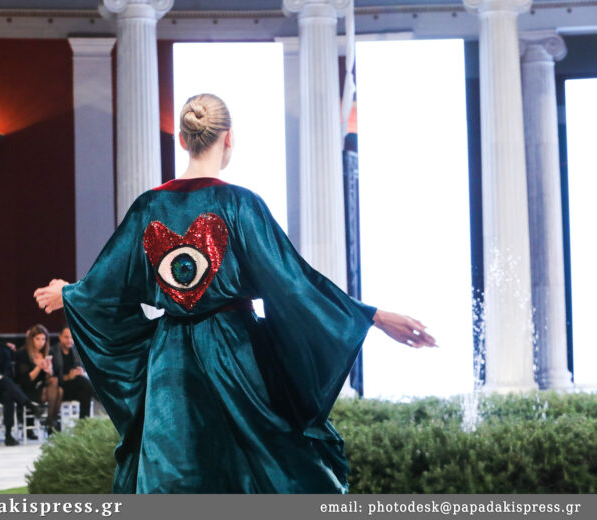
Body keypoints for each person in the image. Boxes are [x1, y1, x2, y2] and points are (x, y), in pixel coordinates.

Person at [34, 93, 437, 493]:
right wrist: (372, 316)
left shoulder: (147, 208)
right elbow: (294, 284)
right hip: (237, 356)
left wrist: (70, 293)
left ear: (182, 139)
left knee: (172, 471)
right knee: (268, 465)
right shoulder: (241, 205)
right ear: (229, 138)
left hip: (169, 364)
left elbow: (107, 285)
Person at [15, 324, 62, 435]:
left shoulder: (48, 353)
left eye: (43, 339)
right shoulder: (22, 353)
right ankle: (52, 423)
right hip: (28, 391)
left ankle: (50, 420)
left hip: (45, 389)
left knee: (58, 387)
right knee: (59, 391)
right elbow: (25, 380)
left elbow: (50, 379)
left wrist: (49, 370)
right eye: (38, 339)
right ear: (31, 339)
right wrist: (39, 367)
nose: (41, 342)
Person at [51, 325, 95, 419]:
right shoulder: (53, 352)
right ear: (60, 337)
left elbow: (82, 367)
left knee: (85, 391)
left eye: (72, 337)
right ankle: (102, 396)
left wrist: (81, 371)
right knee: (84, 383)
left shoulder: (76, 350)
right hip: (59, 390)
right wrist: (67, 377)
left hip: (76, 386)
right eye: (66, 337)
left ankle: (83, 424)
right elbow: (51, 377)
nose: (70, 340)